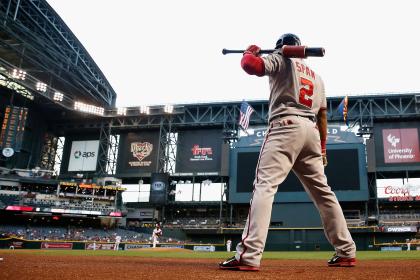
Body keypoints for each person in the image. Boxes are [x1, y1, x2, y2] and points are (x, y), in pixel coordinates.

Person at [219, 33, 356, 271]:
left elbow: (250, 66)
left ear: (282, 46)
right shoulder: (317, 77)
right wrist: (322, 148)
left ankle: (249, 255)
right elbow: (323, 116)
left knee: (264, 186)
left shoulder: (281, 56)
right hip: (311, 133)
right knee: (324, 194)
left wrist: (249, 51)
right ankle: (346, 251)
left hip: (284, 126)